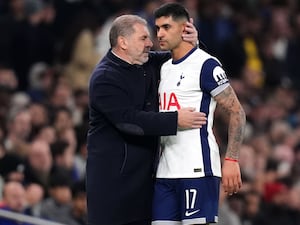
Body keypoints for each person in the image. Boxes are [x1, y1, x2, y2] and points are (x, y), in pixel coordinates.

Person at [86, 14, 207, 225]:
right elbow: (128, 121)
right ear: (123, 42)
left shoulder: (148, 62)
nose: (150, 43)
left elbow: (183, 58)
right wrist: (175, 120)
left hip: (144, 184)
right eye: (143, 38)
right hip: (113, 189)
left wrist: (192, 41)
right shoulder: (105, 77)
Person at [152, 3, 246, 225]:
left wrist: (231, 159)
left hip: (197, 168)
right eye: (157, 28)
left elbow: (237, 112)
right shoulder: (164, 68)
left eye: (166, 27)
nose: (160, 34)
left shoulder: (205, 65)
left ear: (185, 28)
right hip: (165, 171)